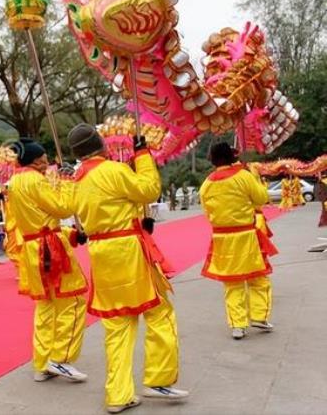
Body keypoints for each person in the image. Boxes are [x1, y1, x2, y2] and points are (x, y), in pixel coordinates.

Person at [67, 123, 188, 412]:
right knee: (160, 312)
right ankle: (158, 377)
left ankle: (118, 394)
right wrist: (143, 155)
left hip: (102, 254)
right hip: (128, 252)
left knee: (118, 324)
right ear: (101, 144)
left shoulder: (77, 180)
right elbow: (148, 190)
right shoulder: (113, 171)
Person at [7, 138, 89, 385]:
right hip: (49, 249)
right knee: (72, 301)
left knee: (45, 308)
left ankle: (42, 364)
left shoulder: (15, 182)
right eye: (43, 158)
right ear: (34, 160)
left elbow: (40, 219)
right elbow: (63, 208)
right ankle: (61, 358)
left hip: (33, 248)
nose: (46, 163)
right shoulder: (35, 179)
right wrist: (67, 183)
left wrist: (70, 234)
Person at [199, 142, 279, 340]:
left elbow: (207, 213)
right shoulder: (244, 176)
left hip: (222, 239)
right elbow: (261, 198)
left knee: (232, 282)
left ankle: (238, 325)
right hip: (246, 236)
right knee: (257, 277)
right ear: (232, 156)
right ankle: (259, 315)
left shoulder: (206, 184)